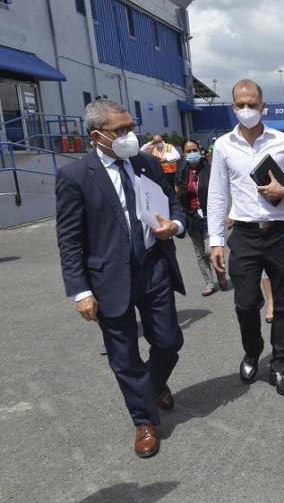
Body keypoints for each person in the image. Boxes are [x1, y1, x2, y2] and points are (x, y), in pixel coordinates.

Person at [55, 99, 187, 458]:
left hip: (153, 267)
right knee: (124, 355)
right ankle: (145, 420)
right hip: (108, 278)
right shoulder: (75, 177)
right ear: (97, 136)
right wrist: (80, 291)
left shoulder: (146, 164)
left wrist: (173, 226)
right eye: (120, 130)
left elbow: (174, 207)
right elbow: (69, 240)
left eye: (132, 127)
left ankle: (152, 384)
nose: (130, 135)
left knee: (169, 341)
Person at [207, 79, 284, 397]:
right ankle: (253, 349)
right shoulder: (223, 146)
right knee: (245, 303)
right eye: (240, 104)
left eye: (252, 104)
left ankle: (280, 364)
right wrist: (216, 240)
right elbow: (217, 195)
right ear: (233, 107)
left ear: (263, 106)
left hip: (281, 231)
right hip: (244, 233)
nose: (246, 109)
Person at [175, 139, 227, 296]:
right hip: (191, 216)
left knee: (210, 248)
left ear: (200, 150)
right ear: (184, 154)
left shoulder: (209, 169)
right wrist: (180, 193)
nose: (191, 154)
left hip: (208, 214)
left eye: (194, 150)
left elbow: (219, 192)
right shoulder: (181, 171)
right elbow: (176, 194)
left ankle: (221, 275)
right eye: (188, 151)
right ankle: (209, 283)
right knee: (199, 252)